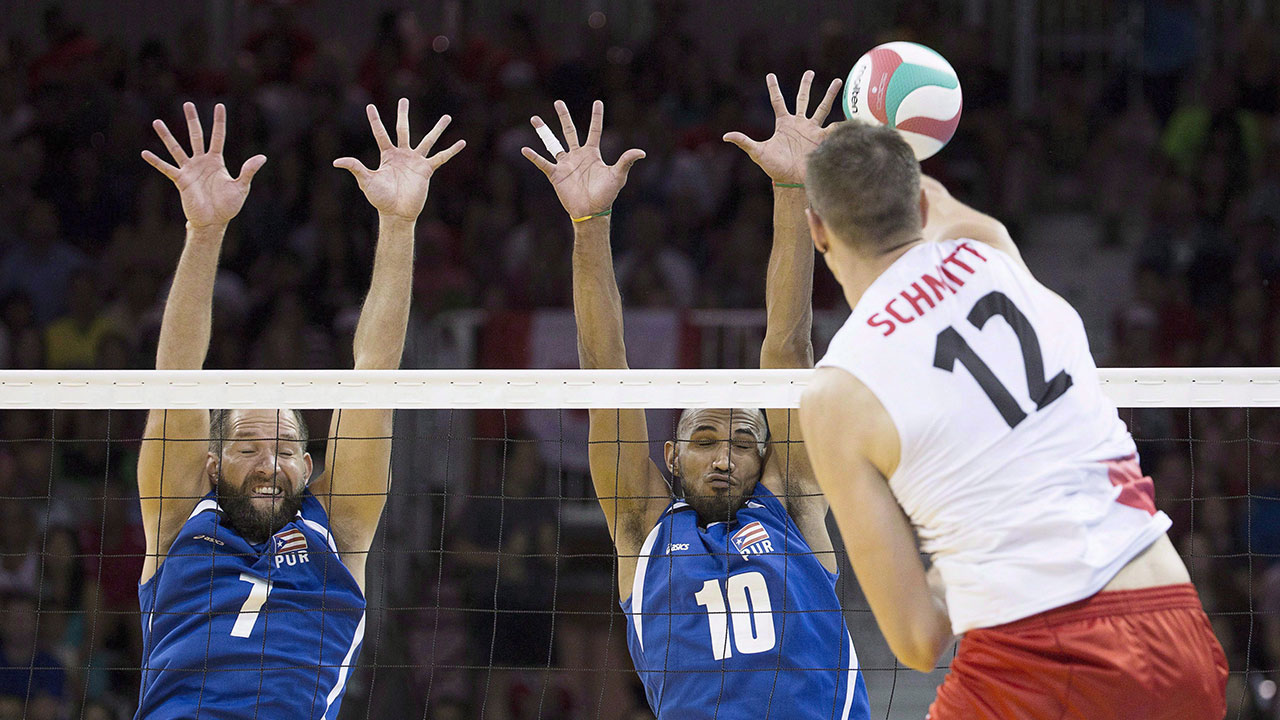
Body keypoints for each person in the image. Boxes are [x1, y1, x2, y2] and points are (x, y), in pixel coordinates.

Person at [798, 121, 1229, 719]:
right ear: (920, 201)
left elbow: (919, 641)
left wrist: (964, 568)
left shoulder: (836, 394)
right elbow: (938, 204)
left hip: (1040, 659)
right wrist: (889, 126)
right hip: (1173, 620)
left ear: (817, 229)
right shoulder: (992, 248)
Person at [521, 72, 870, 720]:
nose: (723, 457)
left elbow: (787, 354)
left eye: (743, 442)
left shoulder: (791, 508)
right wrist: (589, 224)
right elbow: (605, 374)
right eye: (705, 440)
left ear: (765, 460)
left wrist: (793, 190)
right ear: (671, 457)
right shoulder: (642, 528)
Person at [133, 99, 463, 718]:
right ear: (210, 464)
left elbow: (374, 377)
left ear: (308, 465)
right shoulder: (177, 520)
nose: (268, 463)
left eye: (284, 449)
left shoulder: (338, 528)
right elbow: (175, 381)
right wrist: (203, 234)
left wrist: (397, 225)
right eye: (249, 447)